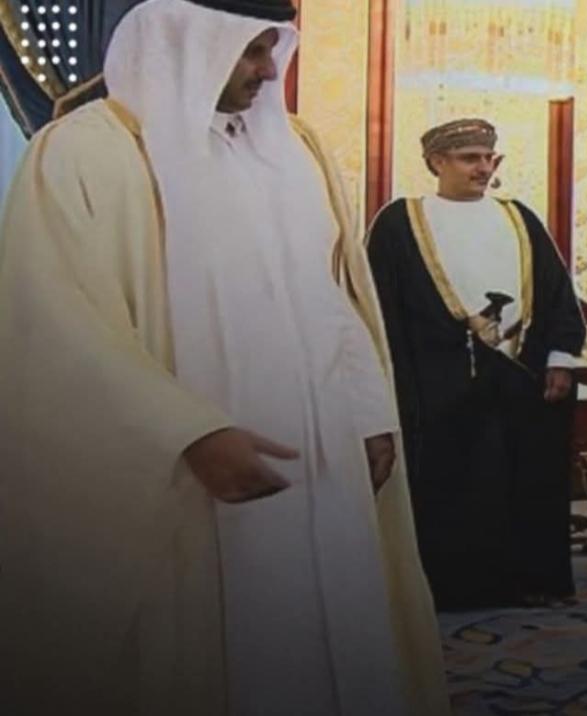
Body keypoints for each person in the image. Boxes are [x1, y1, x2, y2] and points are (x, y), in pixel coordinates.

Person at [0, 1, 449, 714]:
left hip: (324, 457)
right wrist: (188, 432)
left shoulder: (298, 148)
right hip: (190, 476)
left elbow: (332, 292)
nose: (270, 71)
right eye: (250, 50)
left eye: (274, 48)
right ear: (183, 39)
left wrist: (366, 412)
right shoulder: (84, 154)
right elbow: (58, 326)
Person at [366, 118, 586, 610]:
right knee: (455, 483)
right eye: (470, 159)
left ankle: (534, 581)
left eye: (490, 158)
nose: (483, 168)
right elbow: (380, 309)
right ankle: (456, 589)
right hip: (438, 383)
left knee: (527, 476)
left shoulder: (518, 217)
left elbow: (556, 292)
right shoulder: (401, 222)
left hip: (521, 374)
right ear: (437, 162)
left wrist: (560, 359)